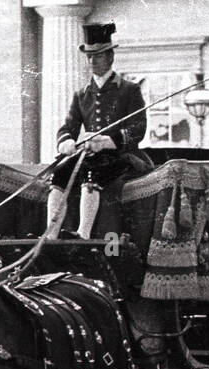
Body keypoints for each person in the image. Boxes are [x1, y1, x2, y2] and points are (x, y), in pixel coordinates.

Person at [47, 22, 149, 238]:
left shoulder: (130, 90)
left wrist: (107, 142)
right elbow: (69, 126)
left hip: (122, 155)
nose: (92, 61)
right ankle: (51, 235)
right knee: (59, 174)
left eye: (98, 56)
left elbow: (138, 128)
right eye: (89, 57)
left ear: (110, 57)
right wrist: (65, 141)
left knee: (92, 172)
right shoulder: (82, 94)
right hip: (89, 154)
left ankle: (83, 233)